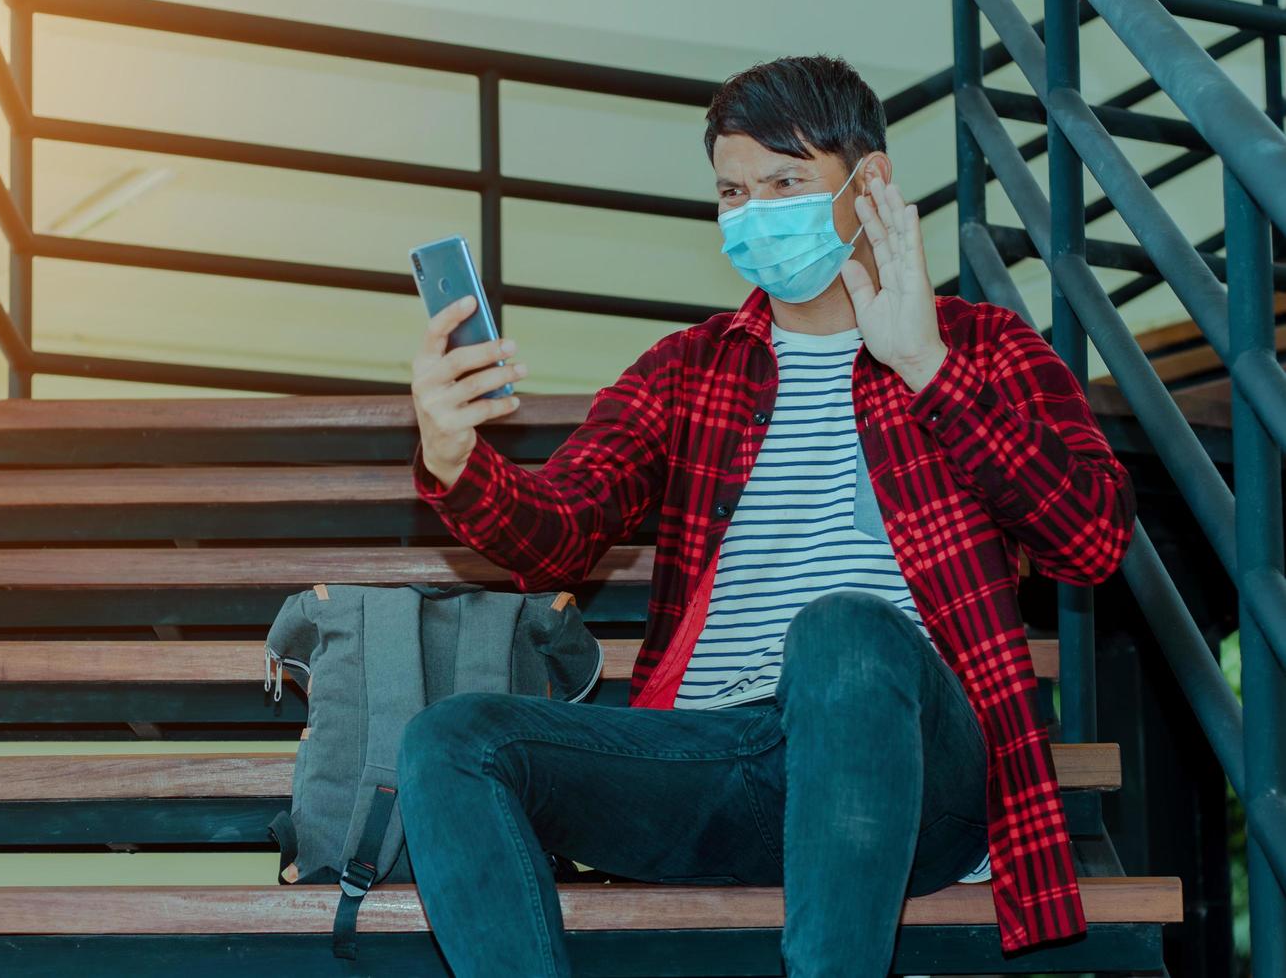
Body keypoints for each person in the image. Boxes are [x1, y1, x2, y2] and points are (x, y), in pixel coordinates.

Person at [400, 54, 1135, 977]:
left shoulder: (984, 350)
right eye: (732, 193)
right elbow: (563, 529)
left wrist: (928, 371)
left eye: (785, 182)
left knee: (842, 634)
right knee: (452, 740)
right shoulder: (688, 369)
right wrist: (456, 459)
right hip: (720, 762)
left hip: (912, 772)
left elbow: (1095, 537)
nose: (755, 213)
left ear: (870, 183)